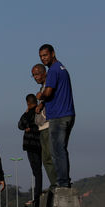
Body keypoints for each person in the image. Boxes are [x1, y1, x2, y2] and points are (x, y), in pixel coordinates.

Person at [36, 44, 75, 188]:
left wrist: (40, 95)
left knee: (57, 151)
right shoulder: (61, 68)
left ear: (53, 53)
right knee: (60, 149)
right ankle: (64, 181)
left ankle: (63, 182)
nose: (43, 58)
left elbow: (48, 92)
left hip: (59, 116)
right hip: (67, 114)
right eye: (41, 56)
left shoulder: (52, 70)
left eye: (45, 55)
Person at [31, 64, 57, 188]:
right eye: (33, 75)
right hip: (43, 127)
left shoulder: (48, 87)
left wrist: (41, 102)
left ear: (44, 73)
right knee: (46, 158)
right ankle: (55, 183)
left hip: (48, 125)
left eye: (37, 74)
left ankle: (56, 183)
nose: (35, 77)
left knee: (49, 157)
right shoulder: (43, 88)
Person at [18, 93, 43, 200]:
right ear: (36, 102)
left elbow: (20, 125)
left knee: (36, 170)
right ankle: (38, 191)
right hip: (39, 143)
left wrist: (27, 126)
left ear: (28, 103)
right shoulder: (40, 111)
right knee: (39, 169)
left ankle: (37, 193)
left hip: (30, 144)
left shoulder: (26, 115)